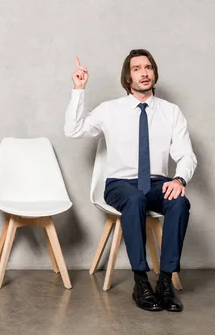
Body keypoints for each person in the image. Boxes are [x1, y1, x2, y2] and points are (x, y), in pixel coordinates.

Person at [64, 49, 197, 312]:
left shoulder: (171, 112)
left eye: (148, 67)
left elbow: (186, 154)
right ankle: (140, 281)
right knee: (134, 199)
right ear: (128, 77)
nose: (144, 72)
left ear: (154, 73)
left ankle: (166, 283)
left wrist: (179, 179)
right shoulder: (110, 110)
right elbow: (74, 130)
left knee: (180, 202)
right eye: (137, 68)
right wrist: (79, 90)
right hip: (120, 184)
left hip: (158, 182)